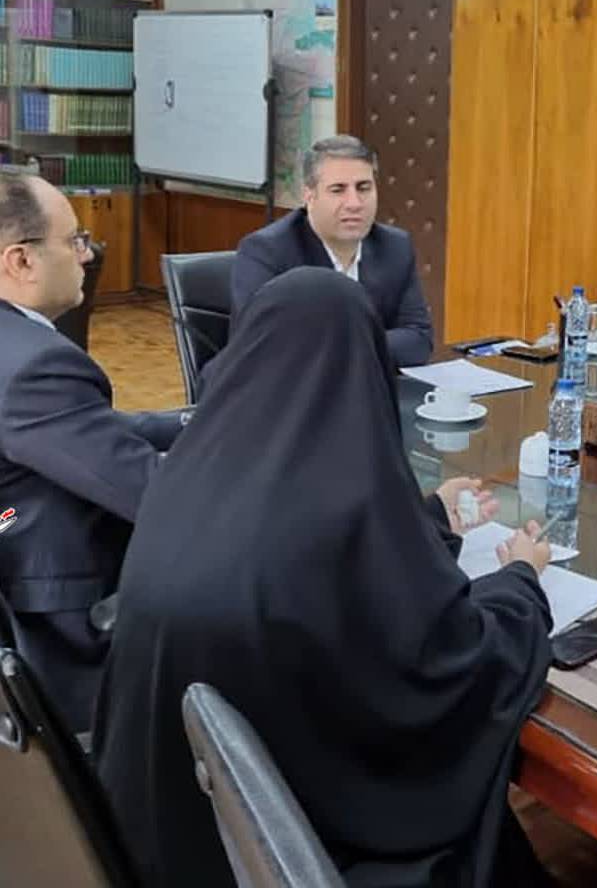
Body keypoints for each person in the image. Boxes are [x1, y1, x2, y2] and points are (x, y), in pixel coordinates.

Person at [94, 269, 554, 887]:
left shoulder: (189, 473)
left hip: (163, 829)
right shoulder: (343, 503)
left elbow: (325, 560)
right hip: (294, 840)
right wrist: (521, 580)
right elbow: (449, 660)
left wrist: (427, 517)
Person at [0, 170, 182, 731]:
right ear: (21, 260)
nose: (87, 255)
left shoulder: (17, 351)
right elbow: (156, 496)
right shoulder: (35, 365)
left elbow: (83, 430)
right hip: (66, 627)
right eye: (74, 239)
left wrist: (200, 421)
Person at [231, 134, 434, 367]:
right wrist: (363, 347)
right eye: (338, 190)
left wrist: (342, 349)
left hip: (371, 385)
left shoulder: (394, 246)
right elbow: (264, 347)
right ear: (309, 195)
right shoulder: (267, 252)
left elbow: (418, 339)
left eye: (364, 188)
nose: (354, 203)